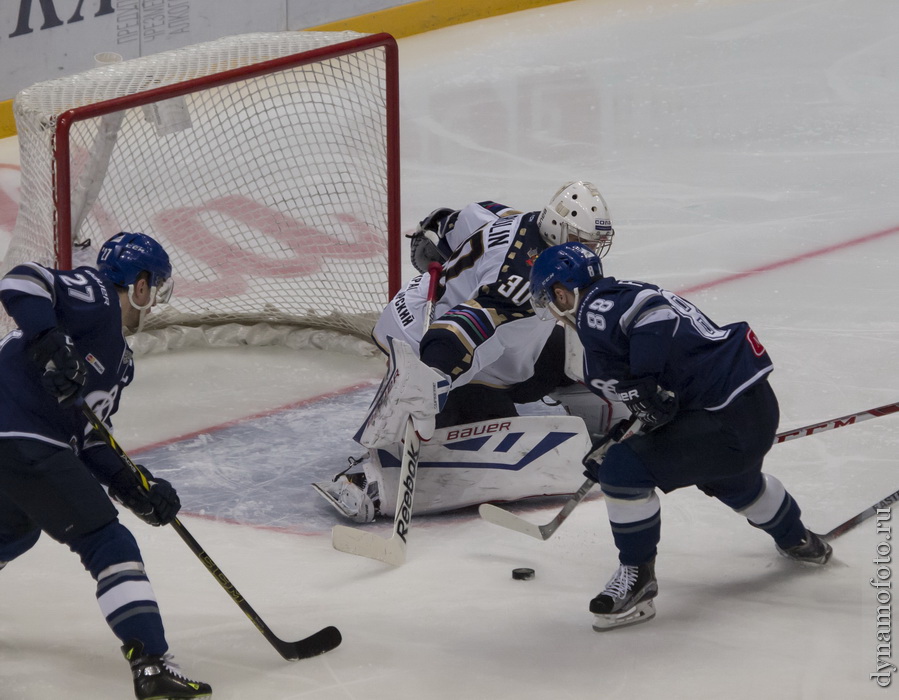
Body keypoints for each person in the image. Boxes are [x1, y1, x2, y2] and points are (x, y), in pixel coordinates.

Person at [528, 241, 832, 632]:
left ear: (561, 292)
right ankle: (799, 539)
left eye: (549, 301)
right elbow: (660, 397)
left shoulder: (594, 307)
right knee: (731, 479)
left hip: (724, 420)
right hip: (743, 411)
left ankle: (638, 579)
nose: (552, 312)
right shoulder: (618, 294)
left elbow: (652, 318)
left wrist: (645, 387)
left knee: (622, 470)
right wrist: (628, 424)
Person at [314, 181, 629, 522]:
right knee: (498, 454)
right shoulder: (516, 283)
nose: (591, 249)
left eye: (595, 242)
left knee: (576, 343)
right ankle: (368, 480)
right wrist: (429, 380)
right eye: (582, 241)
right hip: (433, 343)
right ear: (556, 228)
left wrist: (437, 228)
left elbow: (473, 214)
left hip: (492, 342)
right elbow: (461, 329)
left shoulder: (525, 221)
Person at [0, 232, 212, 699]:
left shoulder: (117, 360)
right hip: (18, 436)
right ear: (138, 286)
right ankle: (152, 664)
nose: (152, 303)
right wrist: (48, 338)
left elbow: (89, 437)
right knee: (105, 539)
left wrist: (134, 484)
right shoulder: (97, 298)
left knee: (15, 528)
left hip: (18, 448)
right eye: (153, 288)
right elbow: (22, 280)